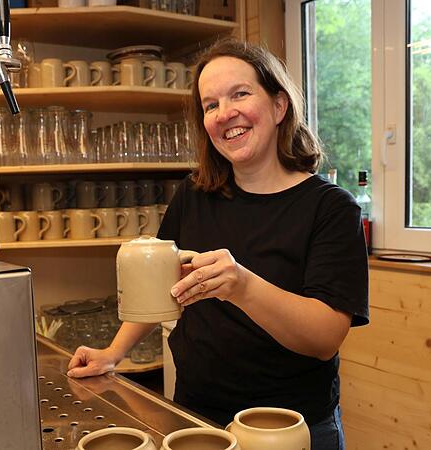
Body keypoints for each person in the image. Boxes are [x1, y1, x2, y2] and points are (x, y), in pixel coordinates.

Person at [67, 38, 369, 450]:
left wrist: (242, 286)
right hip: (196, 417)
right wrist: (113, 352)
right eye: (211, 105)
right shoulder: (194, 194)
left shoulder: (331, 208)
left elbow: (323, 339)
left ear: (279, 106)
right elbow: (157, 285)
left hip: (287, 428)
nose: (225, 113)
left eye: (240, 94)